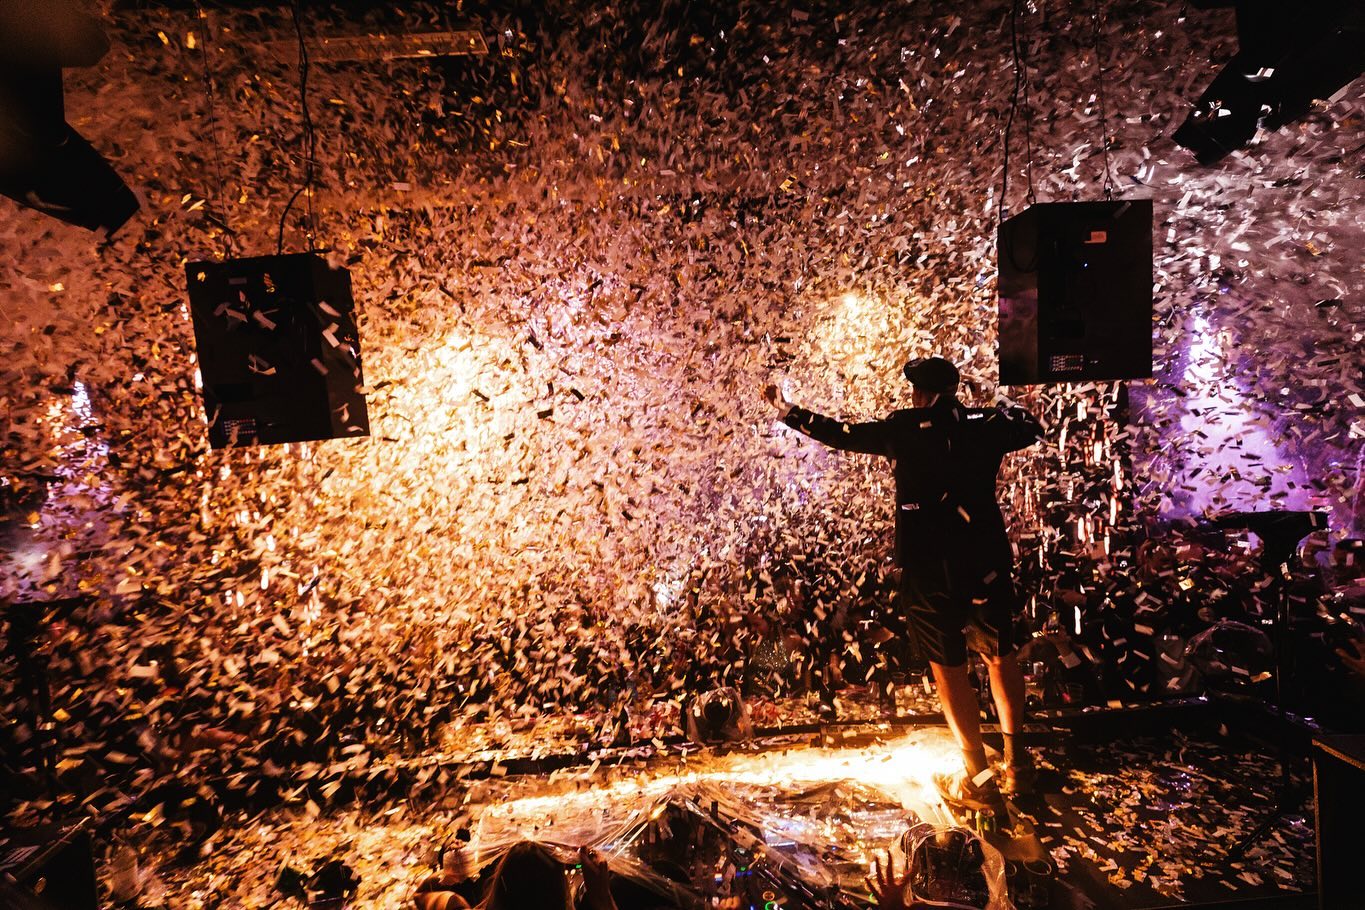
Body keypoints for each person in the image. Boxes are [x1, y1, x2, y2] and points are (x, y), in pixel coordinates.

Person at [764, 356, 1042, 819]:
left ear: (922, 395)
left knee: (948, 666)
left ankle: (978, 779)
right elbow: (1031, 427)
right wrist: (999, 402)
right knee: (1000, 654)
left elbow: (843, 434)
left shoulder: (905, 428)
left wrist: (788, 411)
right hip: (985, 560)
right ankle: (1017, 766)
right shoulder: (987, 425)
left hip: (932, 567)